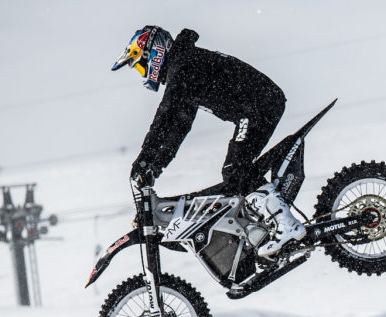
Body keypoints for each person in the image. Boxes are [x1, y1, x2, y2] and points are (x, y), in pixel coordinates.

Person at [111, 25, 305, 257]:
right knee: (235, 174)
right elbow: (176, 129)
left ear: (154, 52)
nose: (144, 73)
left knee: (236, 170)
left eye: (141, 65)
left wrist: (143, 163)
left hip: (259, 106)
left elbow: (165, 117)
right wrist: (154, 167)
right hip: (259, 104)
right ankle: (265, 225)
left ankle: (285, 224)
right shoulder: (183, 68)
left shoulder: (182, 66)